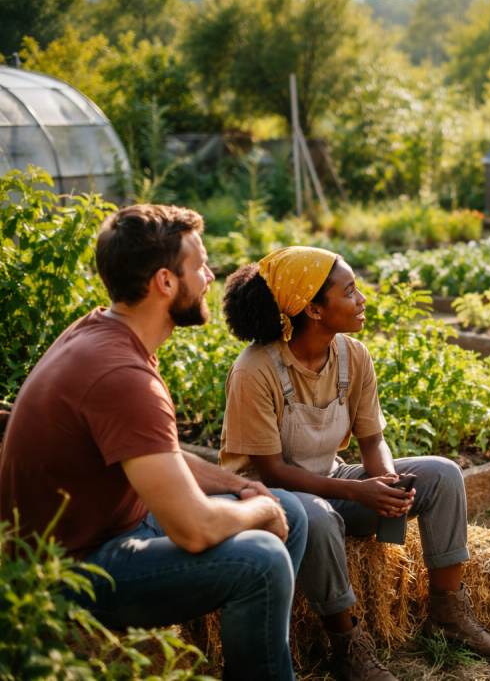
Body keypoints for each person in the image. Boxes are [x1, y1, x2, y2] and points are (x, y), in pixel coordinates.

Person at [0, 205, 309, 681]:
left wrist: (243, 488)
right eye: (199, 266)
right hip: (70, 571)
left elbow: (155, 453)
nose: (209, 276)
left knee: (291, 508)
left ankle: (253, 665)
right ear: (165, 281)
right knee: (262, 559)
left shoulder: (108, 332)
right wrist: (262, 512)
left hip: (111, 528)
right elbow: (194, 530)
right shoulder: (121, 375)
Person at [219, 247, 490, 681]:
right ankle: (347, 646)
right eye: (350, 291)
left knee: (442, 474)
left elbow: (372, 438)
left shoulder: (351, 354)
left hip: (330, 478)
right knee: (318, 518)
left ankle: (448, 614)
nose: (363, 300)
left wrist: (386, 482)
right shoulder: (256, 370)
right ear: (313, 309)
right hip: (268, 498)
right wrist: (359, 492)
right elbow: (273, 472)